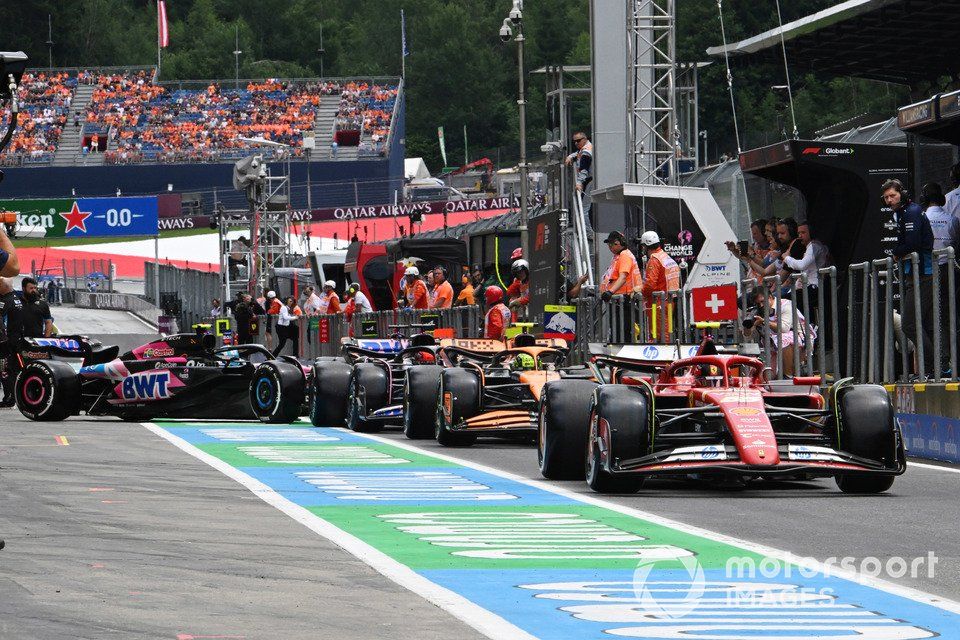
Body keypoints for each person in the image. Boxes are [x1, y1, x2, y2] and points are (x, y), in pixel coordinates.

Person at [885, 178, 936, 377]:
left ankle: (934, 365)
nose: (890, 200)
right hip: (912, 274)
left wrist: (896, 253)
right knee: (921, 323)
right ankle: (932, 367)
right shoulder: (902, 213)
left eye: (893, 195)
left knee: (908, 323)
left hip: (923, 273)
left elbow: (913, 243)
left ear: (902, 193)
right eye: (887, 197)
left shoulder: (912, 212)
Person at [635, 231, 679, 340]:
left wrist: (640, 291)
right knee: (666, 331)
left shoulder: (654, 260)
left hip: (658, 302)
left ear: (646, 246)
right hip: (669, 300)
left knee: (660, 334)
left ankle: (665, 355)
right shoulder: (665, 257)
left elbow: (650, 285)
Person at [781, 221, 821, 321]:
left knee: (782, 301)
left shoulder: (814, 246)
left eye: (803, 233)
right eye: (798, 233)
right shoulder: (811, 247)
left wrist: (786, 258)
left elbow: (802, 265)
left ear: (811, 233)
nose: (800, 236)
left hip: (813, 287)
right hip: (809, 287)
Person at [599, 231, 640, 301]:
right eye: (609, 245)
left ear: (618, 243)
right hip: (619, 299)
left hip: (624, 300)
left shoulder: (624, 256)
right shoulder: (619, 256)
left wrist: (610, 292)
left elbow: (623, 277)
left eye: (611, 244)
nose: (609, 247)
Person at [0, 278, 22, 407]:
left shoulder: (4, 301)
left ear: (4, 286)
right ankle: (12, 396)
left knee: (5, 368)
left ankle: (9, 397)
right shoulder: (17, 298)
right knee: (12, 368)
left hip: (6, 341)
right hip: (17, 339)